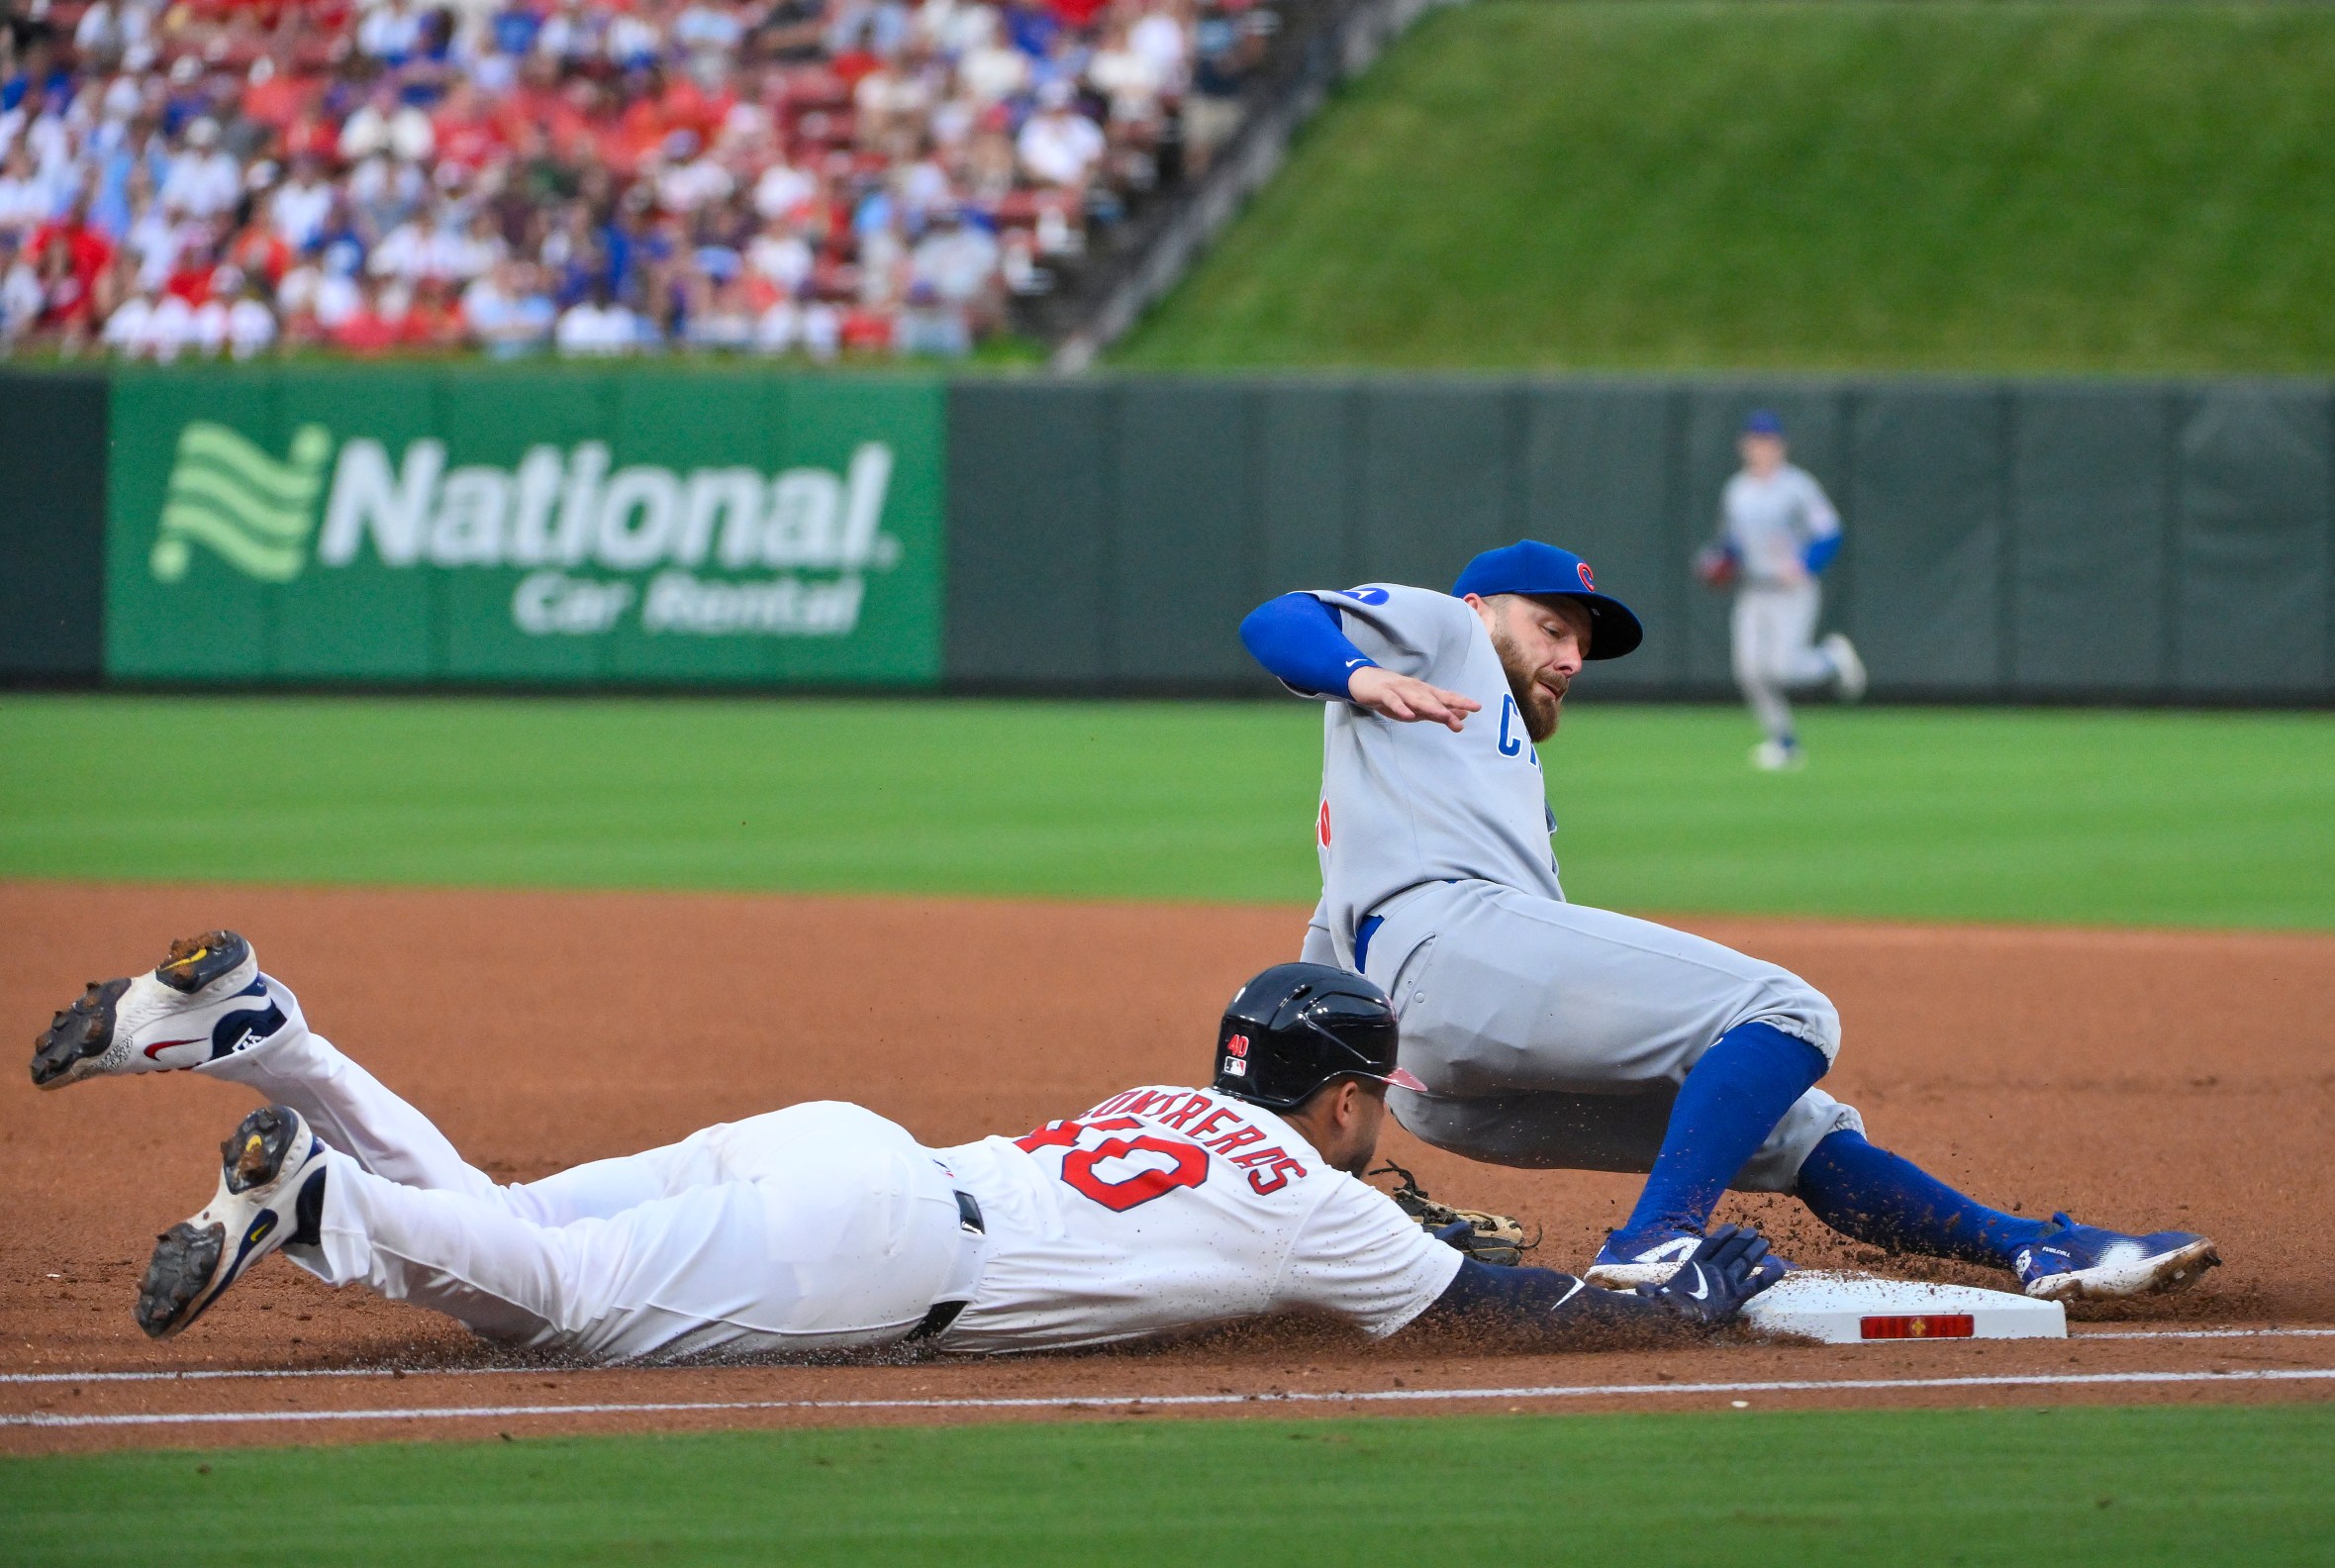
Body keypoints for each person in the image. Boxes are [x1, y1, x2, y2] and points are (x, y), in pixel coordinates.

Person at [1236, 541, 2218, 1301]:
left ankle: (2029, 1246)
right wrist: (1357, 673)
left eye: (1583, 644)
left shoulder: (1447, 779)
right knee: (1785, 1011)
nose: (1572, 658)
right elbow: (1280, 618)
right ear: (1482, 609)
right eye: (1552, 628)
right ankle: (1657, 1241)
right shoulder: (1441, 633)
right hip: (1454, 956)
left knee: (1788, 1127)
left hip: (1443, 1077)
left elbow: (1332, 963)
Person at [33, 934, 1780, 1361]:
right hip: (881, 1246)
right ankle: (321, 1190)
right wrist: (1672, 1288)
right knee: (553, 1297)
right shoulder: (1323, 1205)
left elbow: (1286, 1178)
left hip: (840, 1144)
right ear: (1343, 1098)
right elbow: (1517, 1309)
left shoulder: (1139, 1100)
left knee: (497, 1220)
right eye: (1373, 1096)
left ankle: (276, 1035)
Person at [1702, 410, 1866, 770]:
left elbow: (1829, 532)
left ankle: (1832, 658)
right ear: (1744, 446)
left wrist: (1806, 564)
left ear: (1781, 446)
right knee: (1747, 671)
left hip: (1792, 590)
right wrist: (1718, 560)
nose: (1761, 448)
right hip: (1754, 589)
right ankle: (1784, 742)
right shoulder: (1737, 490)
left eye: (1768, 441)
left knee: (1782, 669)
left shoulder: (1797, 486)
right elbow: (1731, 543)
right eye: (1755, 441)